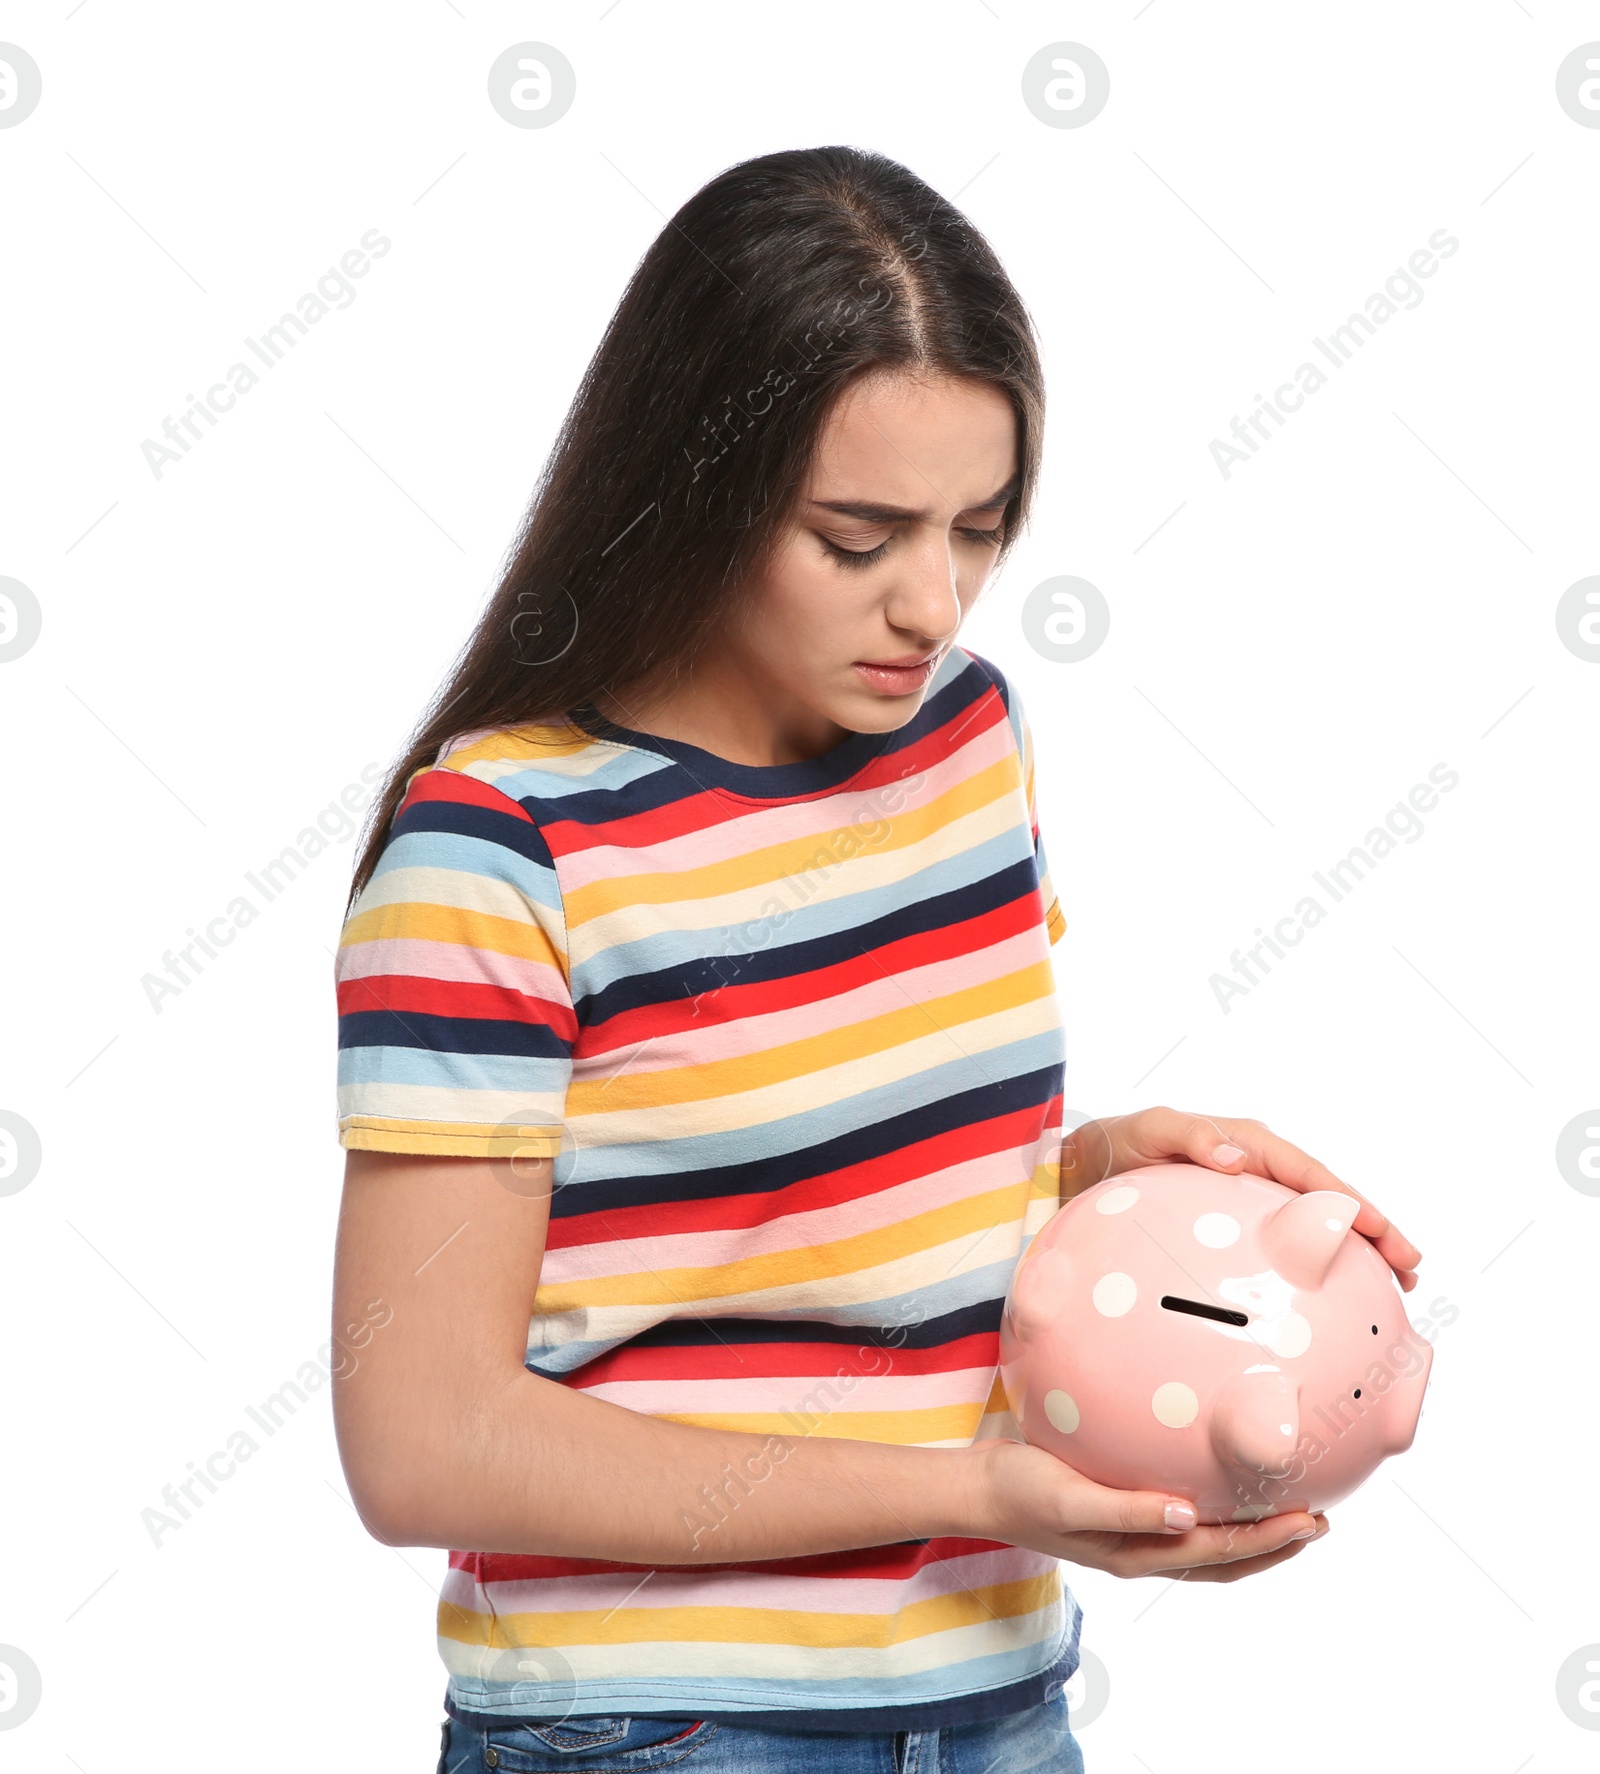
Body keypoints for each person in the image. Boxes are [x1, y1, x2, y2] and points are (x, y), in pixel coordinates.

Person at [329, 145, 1422, 1774]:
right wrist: (965, 1488)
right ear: (692, 491)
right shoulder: (504, 849)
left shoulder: (972, 737)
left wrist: (1113, 1167)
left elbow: (816, 1218)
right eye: (858, 535)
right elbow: (423, 1444)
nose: (935, 600)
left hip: (997, 1693)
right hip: (658, 1727)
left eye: (980, 526)